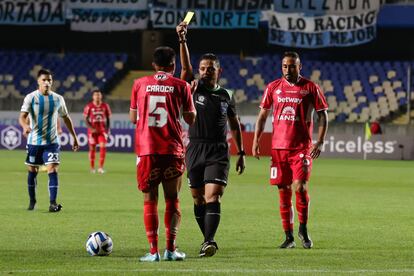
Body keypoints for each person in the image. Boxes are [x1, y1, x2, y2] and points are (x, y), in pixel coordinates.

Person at [176, 22, 245, 257]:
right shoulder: (193, 89)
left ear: (219, 71)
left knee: (212, 195)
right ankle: (206, 239)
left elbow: (234, 125)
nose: (205, 71)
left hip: (218, 151)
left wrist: (242, 153)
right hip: (194, 148)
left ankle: (209, 240)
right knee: (197, 199)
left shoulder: (227, 95)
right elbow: (185, 70)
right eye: (203, 68)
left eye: (210, 69)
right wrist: (183, 40)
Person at [252, 52, 328, 249]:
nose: (288, 70)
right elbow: (262, 116)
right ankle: (289, 237)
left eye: (292, 66)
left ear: (299, 67)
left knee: (300, 187)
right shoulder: (273, 87)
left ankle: (303, 228)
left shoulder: (310, 87)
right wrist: (256, 140)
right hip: (278, 149)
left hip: (301, 148)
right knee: (283, 192)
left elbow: (323, 115)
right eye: (285, 66)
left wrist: (319, 142)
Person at [129, 46, 196, 262]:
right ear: (173, 65)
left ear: (154, 65)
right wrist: (188, 97)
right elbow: (191, 119)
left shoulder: (139, 84)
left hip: (147, 149)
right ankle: (170, 249)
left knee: (150, 200)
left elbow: (133, 118)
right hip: (172, 149)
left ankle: (152, 252)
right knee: (172, 199)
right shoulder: (181, 85)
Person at [19, 68, 79, 212]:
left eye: (49, 80)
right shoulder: (31, 97)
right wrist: (25, 126)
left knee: (52, 169)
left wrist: (74, 137)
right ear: (38, 82)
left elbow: (66, 118)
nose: (47, 82)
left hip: (52, 142)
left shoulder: (58, 99)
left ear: (52, 82)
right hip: (34, 142)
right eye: (44, 80)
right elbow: (22, 116)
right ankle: (32, 200)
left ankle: (53, 203)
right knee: (32, 171)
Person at [83, 89, 112, 173]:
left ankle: (100, 168)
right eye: (95, 95)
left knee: (103, 146)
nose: (97, 96)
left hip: (102, 130)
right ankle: (92, 168)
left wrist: (107, 129)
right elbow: (85, 119)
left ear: (101, 96)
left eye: (99, 95)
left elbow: (108, 118)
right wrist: (91, 128)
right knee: (92, 148)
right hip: (92, 131)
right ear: (93, 96)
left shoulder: (105, 106)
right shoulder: (89, 106)